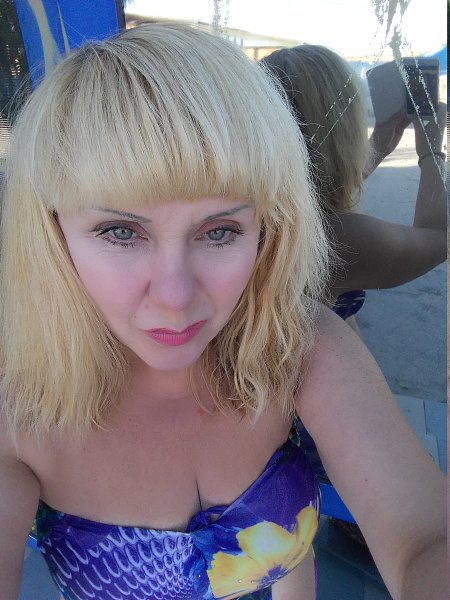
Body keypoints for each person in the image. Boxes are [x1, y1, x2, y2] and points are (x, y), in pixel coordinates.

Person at [0, 24, 445, 600]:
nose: (175, 297)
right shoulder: (18, 404)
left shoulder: (299, 347)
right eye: (120, 231)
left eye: (219, 231)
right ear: (51, 232)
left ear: (268, 229)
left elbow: (424, 536)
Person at [261, 45, 447, 326]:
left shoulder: (259, 212)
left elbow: (318, 187)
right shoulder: (339, 238)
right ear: (345, 128)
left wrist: (381, 142)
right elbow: (440, 238)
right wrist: (431, 151)